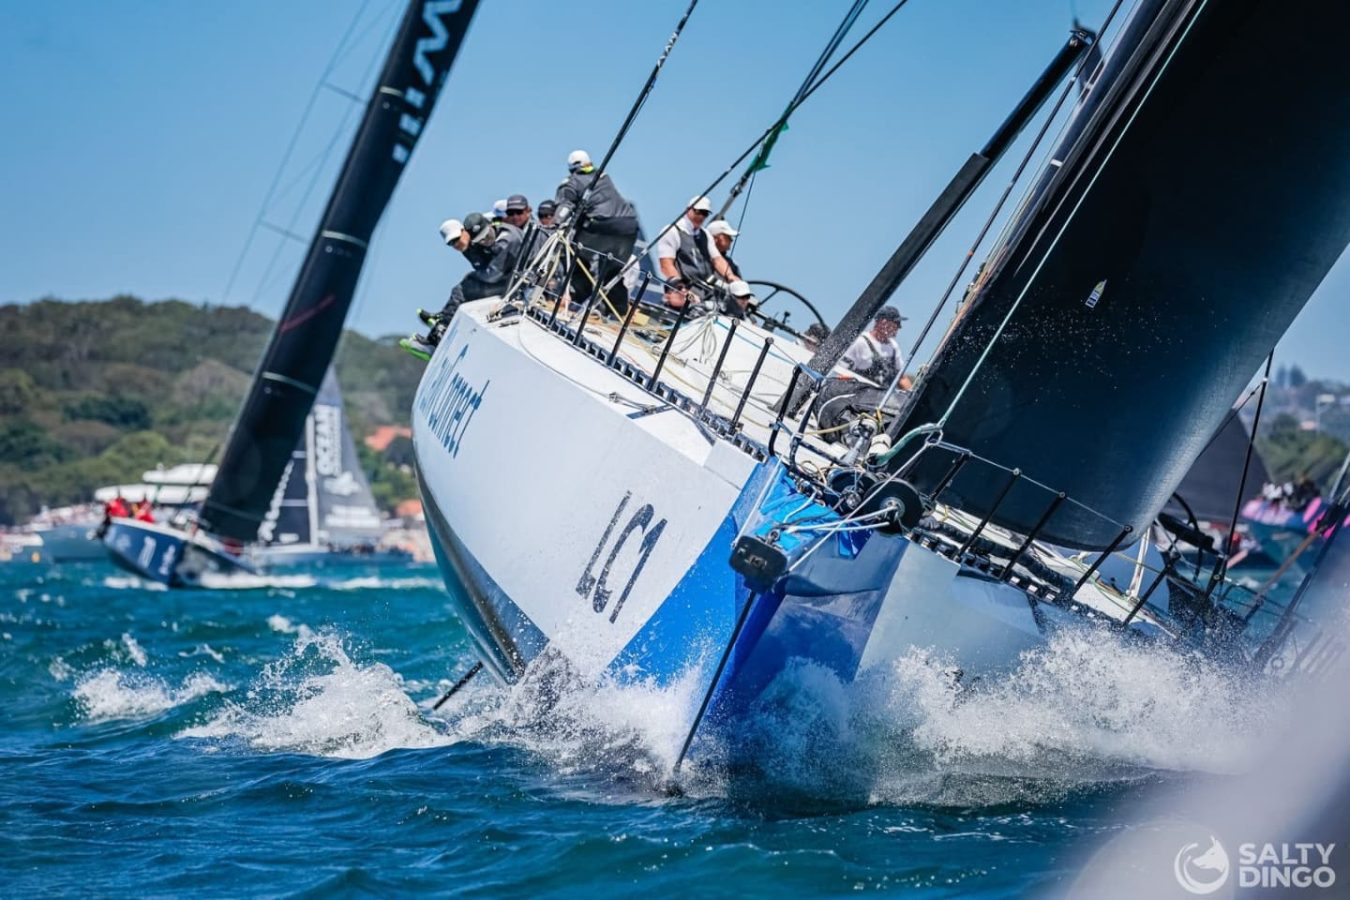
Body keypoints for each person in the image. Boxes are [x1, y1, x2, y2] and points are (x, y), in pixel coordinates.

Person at [405, 213, 523, 357]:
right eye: (451, 243)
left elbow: (493, 274)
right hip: (505, 281)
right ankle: (443, 320)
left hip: (514, 284)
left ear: (464, 231)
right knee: (464, 288)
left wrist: (473, 276)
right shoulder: (471, 244)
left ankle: (437, 337)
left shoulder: (505, 238)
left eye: (456, 239)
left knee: (463, 288)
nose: (456, 244)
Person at [554, 149, 641, 317]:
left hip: (601, 226)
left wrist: (555, 224)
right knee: (612, 271)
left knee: (575, 257)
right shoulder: (604, 177)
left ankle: (584, 301)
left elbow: (565, 209)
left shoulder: (571, 183)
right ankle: (617, 312)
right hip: (629, 227)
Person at [654, 196, 739, 311]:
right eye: (698, 212)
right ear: (688, 209)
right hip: (683, 293)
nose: (701, 216)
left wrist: (731, 276)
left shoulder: (705, 235)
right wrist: (680, 288)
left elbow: (717, 259)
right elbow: (666, 265)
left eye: (705, 214)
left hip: (706, 293)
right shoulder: (672, 231)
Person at [840, 306, 910, 389]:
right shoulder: (860, 342)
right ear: (883, 322)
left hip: (883, 399)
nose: (899, 327)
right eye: (896, 323)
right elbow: (842, 373)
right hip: (858, 397)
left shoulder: (894, 347)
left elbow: (902, 378)